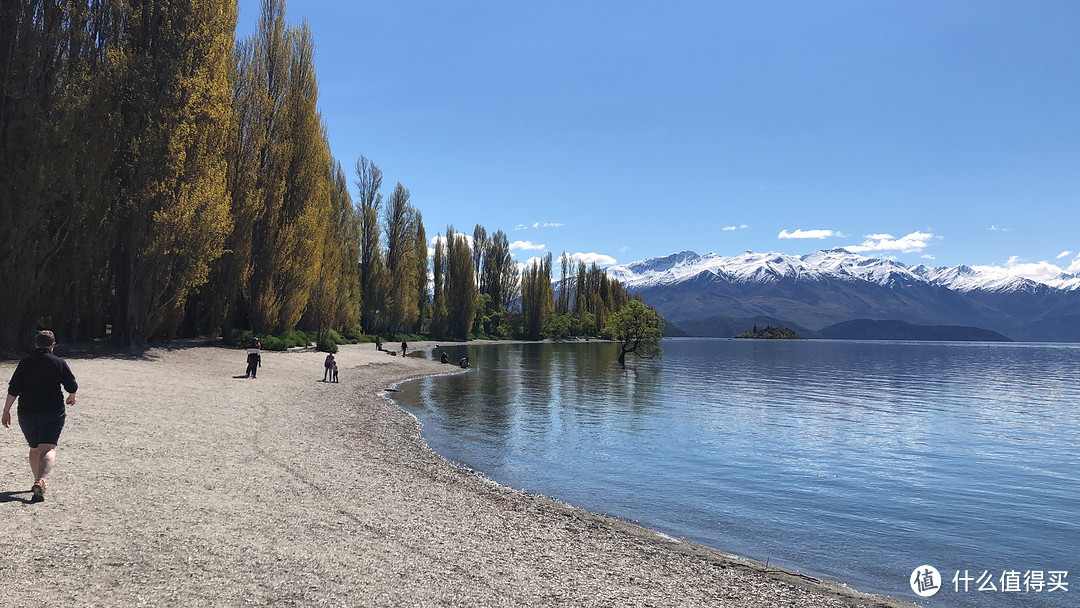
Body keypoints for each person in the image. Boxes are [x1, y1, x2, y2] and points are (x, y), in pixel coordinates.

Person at [3, 330, 78, 503]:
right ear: (53, 345)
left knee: (35, 448)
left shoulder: (25, 363)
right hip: (52, 411)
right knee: (49, 449)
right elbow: (71, 384)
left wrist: (6, 410)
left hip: (27, 412)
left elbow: (13, 388)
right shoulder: (59, 363)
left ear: (36, 345)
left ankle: (37, 479)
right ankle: (41, 480)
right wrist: (72, 396)